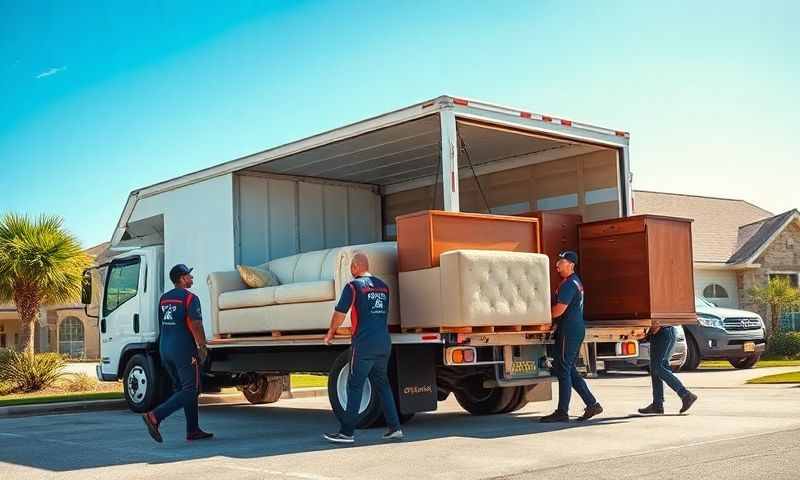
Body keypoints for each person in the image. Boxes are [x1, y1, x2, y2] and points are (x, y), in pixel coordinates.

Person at [321, 253, 403, 444]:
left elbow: (340, 313)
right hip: (383, 342)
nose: (350, 270)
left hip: (364, 344)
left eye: (351, 266)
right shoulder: (384, 287)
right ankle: (395, 428)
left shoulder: (353, 286)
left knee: (355, 385)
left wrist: (331, 332)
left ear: (357, 266)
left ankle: (346, 432)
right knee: (383, 384)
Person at [142, 264, 213, 443]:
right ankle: (155, 416)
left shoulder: (164, 299)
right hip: (184, 350)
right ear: (182, 278)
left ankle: (193, 430)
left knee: (184, 389)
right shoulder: (190, 298)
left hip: (166, 349)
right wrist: (202, 346)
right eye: (189, 275)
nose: (192, 279)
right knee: (192, 389)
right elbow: (196, 325)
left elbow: (162, 325)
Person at [540, 251, 603, 423]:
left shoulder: (569, 284)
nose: (557, 265)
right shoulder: (573, 282)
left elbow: (559, 310)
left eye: (561, 262)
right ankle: (592, 404)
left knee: (563, 370)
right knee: (569, 369)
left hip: (569, 330)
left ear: (571, 264)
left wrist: (541, 317)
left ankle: (562, 412)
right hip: (573, 329)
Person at [639, 325, 698, 415]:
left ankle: (685, 395)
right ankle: (657, 405)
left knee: (658, 367)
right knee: (655, 368)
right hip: (658, 334)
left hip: (664, 332)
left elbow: (656, 321)